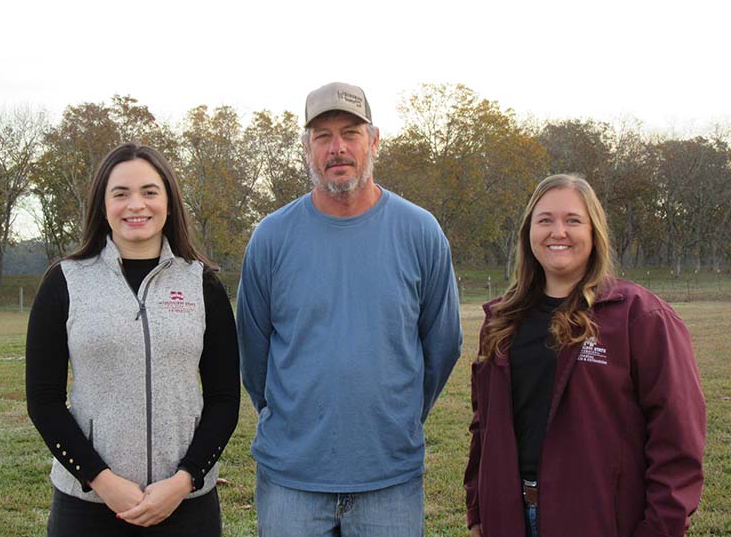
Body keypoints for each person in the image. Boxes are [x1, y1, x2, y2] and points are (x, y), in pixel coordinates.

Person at [237, 82, 463, 536]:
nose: (337, 148)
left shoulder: (419, 232)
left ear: (373, 141)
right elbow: (253, 353)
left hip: (389, 479)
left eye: (350, 133)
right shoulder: (271, 238)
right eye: (322, 136)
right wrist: (296, 415)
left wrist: (394, 416)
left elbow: (443, 345)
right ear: (306, 149)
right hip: (291, 481)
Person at [464, 173, 706, 537]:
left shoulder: (640, 317)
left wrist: (660, 528)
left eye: (573, 220)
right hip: (510, 517)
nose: (557, 231)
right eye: (545, 220)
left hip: (597, 520)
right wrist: (479, 505)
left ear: (594, 233)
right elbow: (484, 425)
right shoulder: (501, 321)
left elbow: (678, 439)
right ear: (529, 232)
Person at [26, 142, 240, 536]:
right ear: (103, 205)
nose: (135, 205)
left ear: (169, 202)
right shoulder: (64, 282)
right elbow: (44, 400)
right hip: (87, 506)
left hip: (185, 505)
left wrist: (184, 480)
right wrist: (101, 481)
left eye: (149, 192)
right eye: (120, 193)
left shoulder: (202, 284)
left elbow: (225, 399)